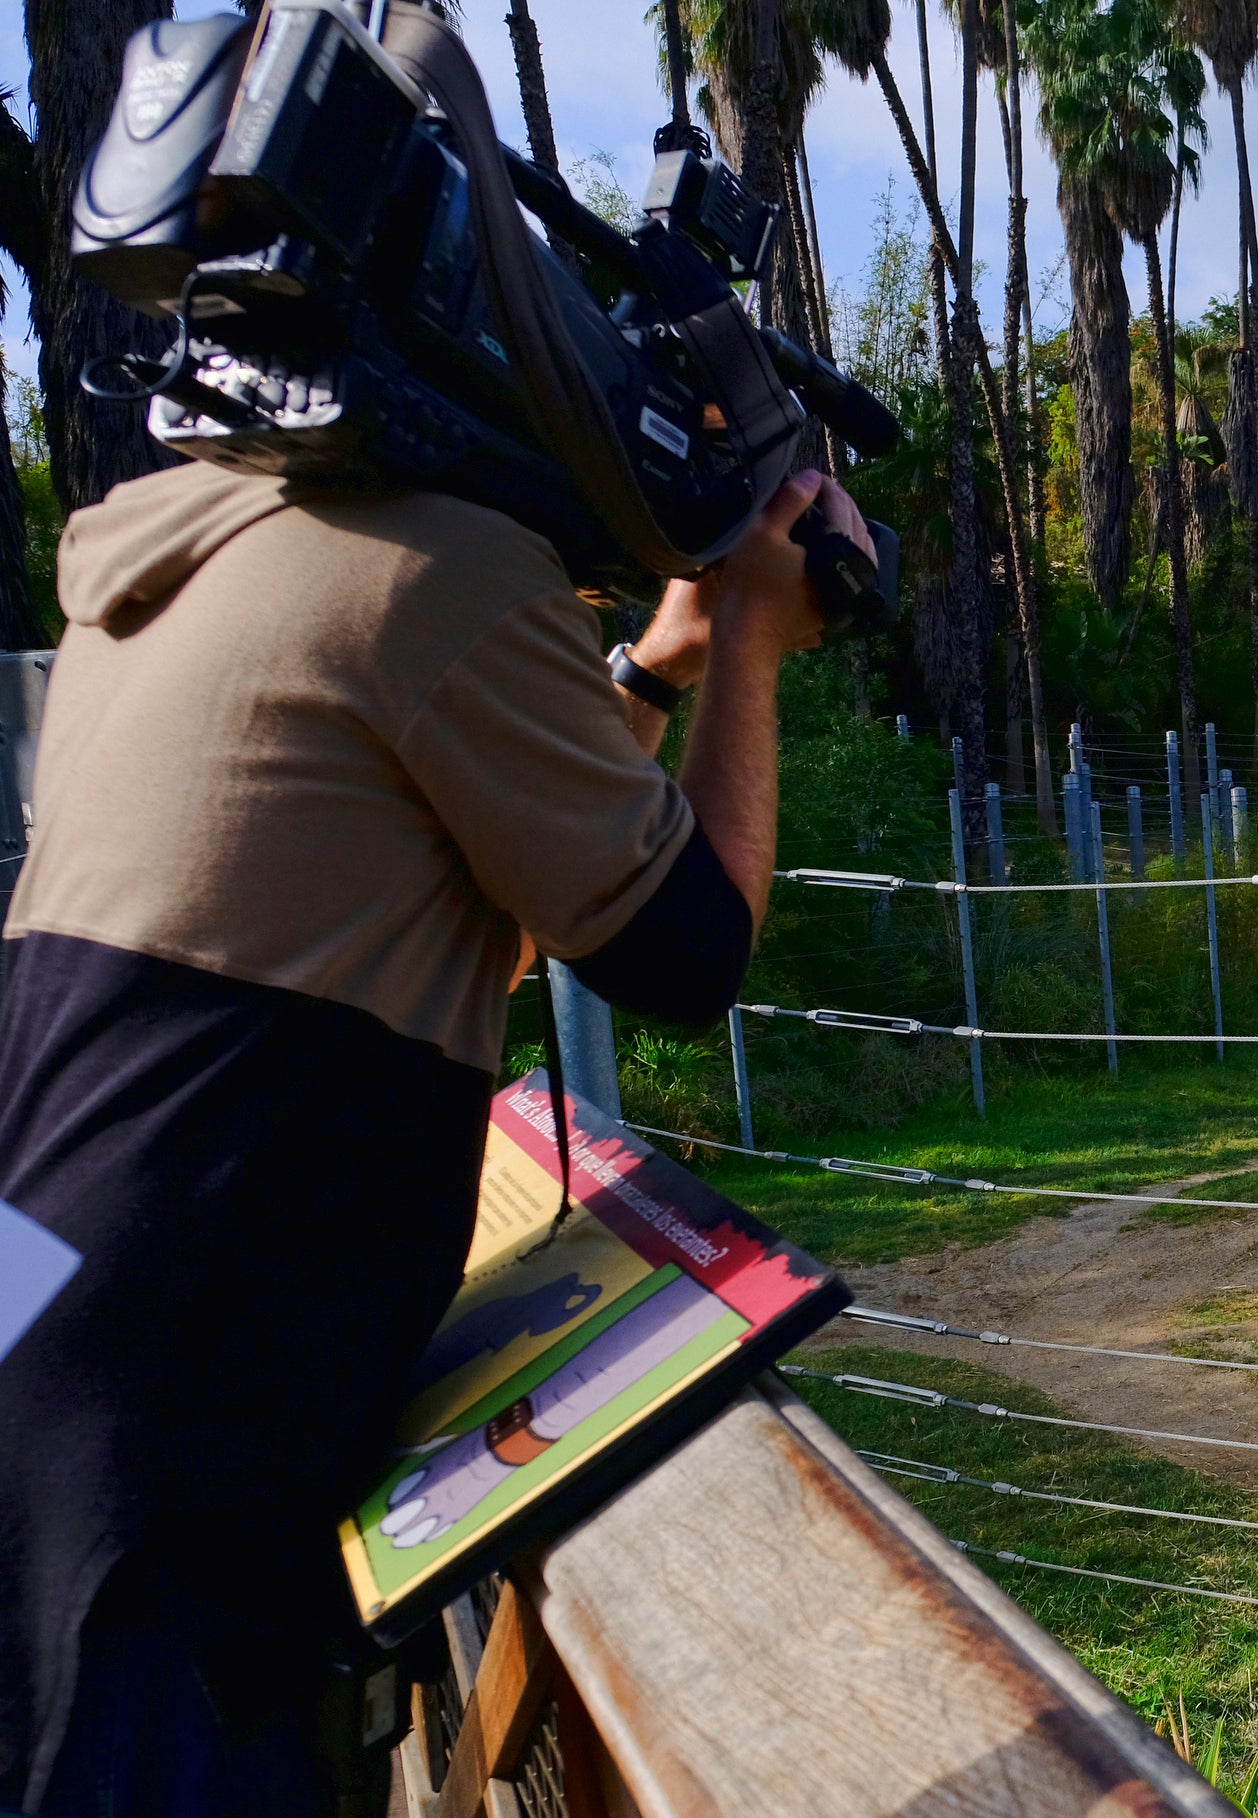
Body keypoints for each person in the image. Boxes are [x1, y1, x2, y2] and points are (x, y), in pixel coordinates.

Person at [0, 453, 862, 1814]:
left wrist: (645, 673)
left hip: (48, 1353)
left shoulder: (174, 576)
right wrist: (753, 637)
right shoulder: (439, 566)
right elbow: (690, 951)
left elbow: (477, 918)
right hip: (169, 1478)